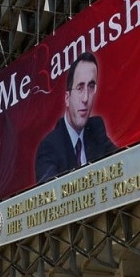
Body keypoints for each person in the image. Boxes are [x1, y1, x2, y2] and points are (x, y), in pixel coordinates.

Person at [34, 52, 118, 183]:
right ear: (67, 98)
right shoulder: (49, 147)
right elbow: (50, 193)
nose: (85, 98)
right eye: (79, 88)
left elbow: (123, 163)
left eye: (91, 87)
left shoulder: (96, 129)